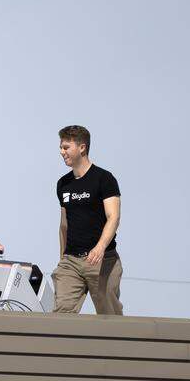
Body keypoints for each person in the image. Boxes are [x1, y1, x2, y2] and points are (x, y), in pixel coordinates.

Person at [52, 125, 123, 315]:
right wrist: (63, 258)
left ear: (82, 147)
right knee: (61, 314)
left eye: (66, 147)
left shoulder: (104, 179)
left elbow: (113, 217)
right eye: (61, 147)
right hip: (71, 262)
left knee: (110, 316)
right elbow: (64, 225)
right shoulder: (63, 184)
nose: (61, 152)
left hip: (102, 261)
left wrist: (99, 247)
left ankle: (118, 344)